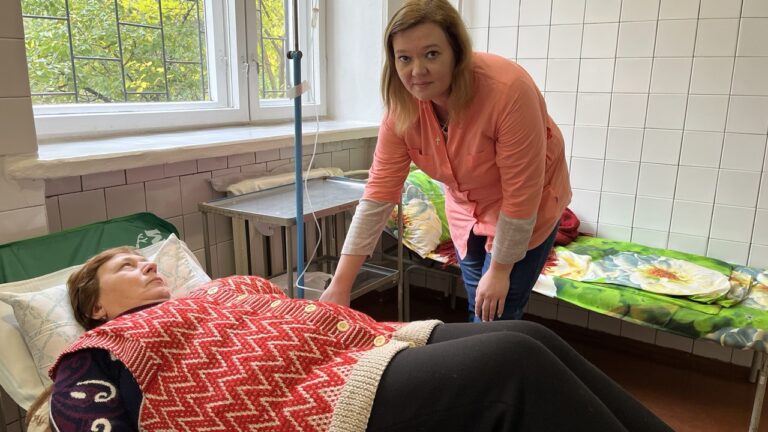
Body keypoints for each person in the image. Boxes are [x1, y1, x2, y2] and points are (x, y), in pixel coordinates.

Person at [28, 247, 671, 431]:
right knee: (513, 362)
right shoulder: (106, 349)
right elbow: (83, 417)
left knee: (529, 333)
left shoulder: (214, 291)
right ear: (94, 306)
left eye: (146, 258)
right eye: (126, 266)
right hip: (314, 394)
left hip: (355, 343)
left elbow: (284, 312)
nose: (147, 265)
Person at [319, 0, 572, 323]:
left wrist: (499, 271)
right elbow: (378, 195)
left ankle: (496, 352)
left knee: (495, 315)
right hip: (467, 211)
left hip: (527, 209)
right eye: (404, 58)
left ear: (457, 53)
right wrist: (340, 285)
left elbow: (521, 195)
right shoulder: (401, 111)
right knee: (478, 308)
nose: (417, 71)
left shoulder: (508, 91)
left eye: (431, 54)